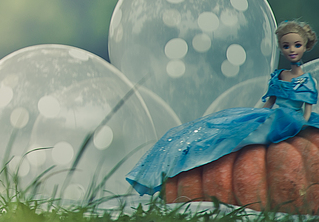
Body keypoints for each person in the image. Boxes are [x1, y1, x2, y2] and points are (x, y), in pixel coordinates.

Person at [126, 20, 318, 196]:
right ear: (281, 48)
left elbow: (307, 108)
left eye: (297, 45)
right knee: (223, 134)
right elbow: (269, 102)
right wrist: (253, 115)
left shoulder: (306, 81)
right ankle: (182, 165)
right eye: (286, 46)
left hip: (292, 120)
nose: (291, 50)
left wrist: (304, 122)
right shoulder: (279, 75)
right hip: (273, 116)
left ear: (305, 46)